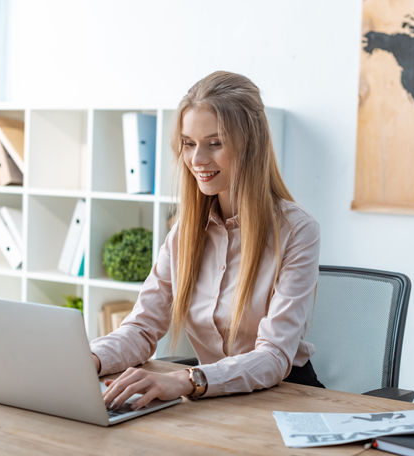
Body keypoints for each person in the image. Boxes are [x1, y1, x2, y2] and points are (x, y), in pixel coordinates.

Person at [91, 71, 323, 411]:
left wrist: (187, 380)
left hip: (286, 398)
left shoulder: (297, 231)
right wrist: (90, 360)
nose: (197, 160)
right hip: (215, 400)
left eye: (215, 143)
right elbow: (142, 328)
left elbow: (273, 355)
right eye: (189, 143)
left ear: (250, 145)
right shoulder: (185, 234)